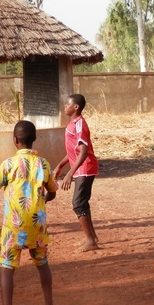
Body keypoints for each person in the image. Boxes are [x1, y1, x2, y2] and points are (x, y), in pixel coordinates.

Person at [0, 120, 58, 305]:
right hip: (37, 224)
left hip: (14, 225)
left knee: (7, 267)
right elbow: (52, 191)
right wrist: (40, 201)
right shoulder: (44, 164)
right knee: (42, 263)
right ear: (34, 140)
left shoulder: (7, 164)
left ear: (15, 141)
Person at [53, 94, 100, 252]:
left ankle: (90, 240)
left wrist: (70, 173)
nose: (65, 106)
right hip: (80, 168)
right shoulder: (73, 124)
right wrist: (61, 165)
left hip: (85, 168)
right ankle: (91, 237)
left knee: (78, 203)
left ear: (76, 107)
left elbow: (84, 152)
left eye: (68, 104)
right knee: (83, 202)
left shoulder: (80, 124)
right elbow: (74, 150)